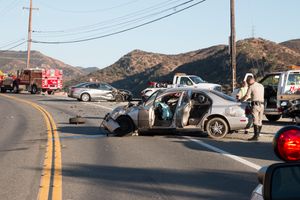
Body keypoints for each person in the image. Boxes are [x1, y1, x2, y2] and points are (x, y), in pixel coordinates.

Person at [241, 76, 264, 141]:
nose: (248, 84)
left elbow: (247, 96)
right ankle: (258, 135)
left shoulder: (251, 87)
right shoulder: (261, 86)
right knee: (260, 120)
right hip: (262, 105)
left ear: (249, 81)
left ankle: (255, 137)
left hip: (255, 105)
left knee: (255, 120)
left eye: (248, 82)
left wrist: (240, 100)